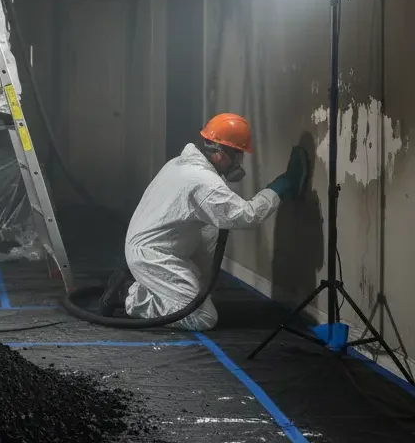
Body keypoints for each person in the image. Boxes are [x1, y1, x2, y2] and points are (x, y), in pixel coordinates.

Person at [100, 113, 308, 330]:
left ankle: (155, 288)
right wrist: (277, 189)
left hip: (161, 247)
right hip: (153, 256)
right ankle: (129, 296)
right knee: (202, 317)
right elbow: (245, 216)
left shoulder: (180, 163)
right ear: (219, 153)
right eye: (237, 155)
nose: (239, 162)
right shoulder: (203, 182)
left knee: (210, 232)